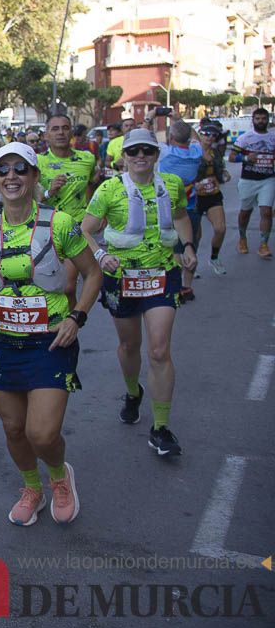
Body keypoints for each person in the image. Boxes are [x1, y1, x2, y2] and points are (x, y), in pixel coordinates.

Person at [0, 142, 101, 526]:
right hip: (2, 342)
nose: (11, 177)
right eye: (3, 171)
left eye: (20, 169)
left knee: (42, 433)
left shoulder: (59, 223)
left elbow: (93, 273)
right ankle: (32, 487)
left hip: (51, 340)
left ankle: (59, 477)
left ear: (35, 177)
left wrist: (76, 318)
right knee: (14, 428)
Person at [82, 128, 196, 457]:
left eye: (147, 149)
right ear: (125, 157)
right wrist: (101, 255)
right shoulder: (108, 189)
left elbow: (180, 215)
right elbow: (86, 230)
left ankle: (160, 427)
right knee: (130, 345)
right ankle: (133, 392)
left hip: (163, 274)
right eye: (134, 151)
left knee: (159, 350)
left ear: (156, 154)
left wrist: (187, 244)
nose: (141, 156)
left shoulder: (171, 185)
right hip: (122, 279)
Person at [38, 114, 100, 308]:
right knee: (48, 286)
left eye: (65, 128)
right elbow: (32, 199)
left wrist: (96, 214)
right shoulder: (37, 162)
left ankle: (71, 322)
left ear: (71, 132)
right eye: (54, 129)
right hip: (47, 230)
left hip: (76, 230)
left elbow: (91, 186)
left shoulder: (86, 159)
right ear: (46, 135)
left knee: (67, 286)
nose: (60, 133)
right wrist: (49, 191)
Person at [158, 121, 204, 300]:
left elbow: (145, 141)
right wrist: (181, 121)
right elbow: (196, 139)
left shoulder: (165, 152)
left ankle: (175, 287)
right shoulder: (195, 153)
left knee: (175, 249)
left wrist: (151, 118)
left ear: (170, 138)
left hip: (167, 206)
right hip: (190, 205)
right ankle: (187, 287)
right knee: (190, 245)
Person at [231, 107, 274, 259]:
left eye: (263, 118)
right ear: (253, 120)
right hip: (248, 180)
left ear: (268, 120)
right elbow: (231, 157)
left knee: (267, 212)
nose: (261, 121)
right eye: (258, 119)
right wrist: (246, 158)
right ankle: (242, 239)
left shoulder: (273, 137)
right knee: (245, 212)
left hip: (268, 179)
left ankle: (263, 245)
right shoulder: (245, 138)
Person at [191, 123, 229, 275]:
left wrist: (224, 175)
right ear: (200, 134)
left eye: (213, 135)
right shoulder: (192, 151)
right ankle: (191, 265)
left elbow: (221, 169)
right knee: (196, 236)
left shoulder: (216, 153)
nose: (210, 137)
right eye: (206, 134)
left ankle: (214, 257)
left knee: (220, 229)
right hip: (195, 197)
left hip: (213, 194)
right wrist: (194, 185)